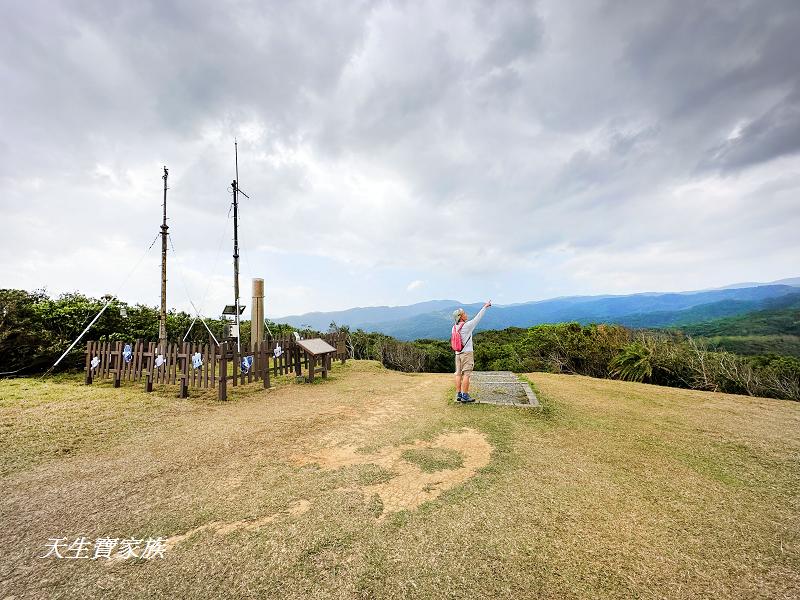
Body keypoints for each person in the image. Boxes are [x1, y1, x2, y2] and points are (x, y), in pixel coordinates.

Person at [452, 300, 491, 403]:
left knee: (458, 374)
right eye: (464, 313)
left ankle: (459, 394)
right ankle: (465, 395)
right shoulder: (467, 326)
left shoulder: (454, 328)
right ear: (461, 317)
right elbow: (478, 317)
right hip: (467, 353)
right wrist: (485, 307)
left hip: (457, 354)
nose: (466, 314)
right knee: (467, 374)